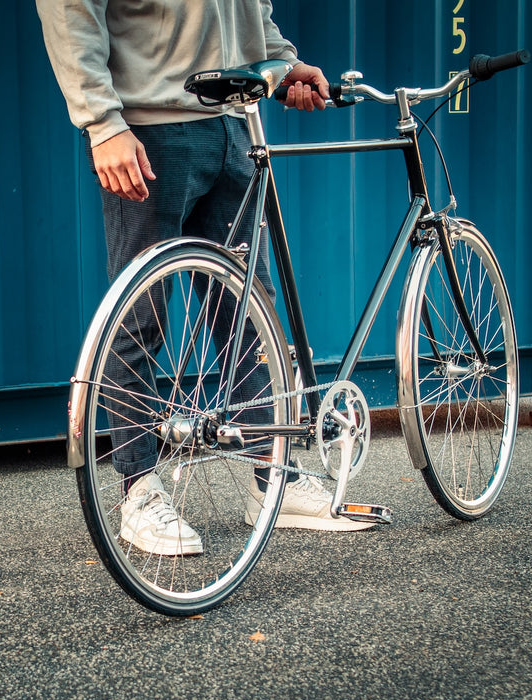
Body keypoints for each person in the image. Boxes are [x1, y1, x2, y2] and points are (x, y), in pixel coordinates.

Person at [36, 0, 375, 554]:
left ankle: (274, 477)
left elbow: (249, 13)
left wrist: (283, 64)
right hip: (149, 130)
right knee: (138, 319)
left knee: (248, 313)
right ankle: (139, 489)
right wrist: (101, 123)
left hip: (235, 127)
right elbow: (71, 11)